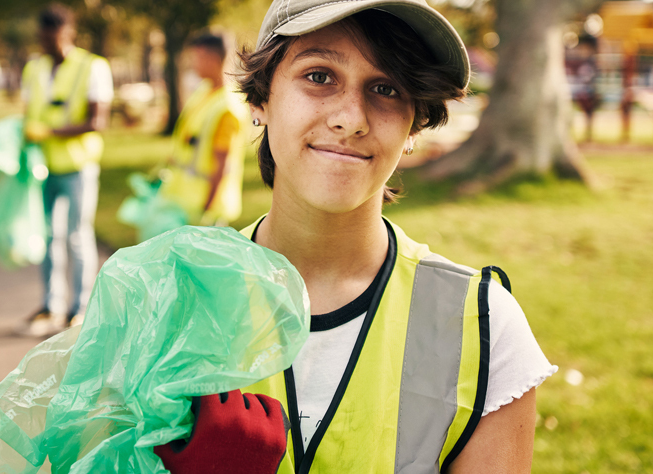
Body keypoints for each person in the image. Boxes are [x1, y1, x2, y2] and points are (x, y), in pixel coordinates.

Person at [153, 0, 557, 472]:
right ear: (260, 99)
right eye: (319, 76)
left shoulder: (484, 329)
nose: (352, 118)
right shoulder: (169, 299)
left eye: (386, 88)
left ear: (415, 124)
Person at [19, 3, 113, 337]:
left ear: (68, 33)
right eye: (43, 38)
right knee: (47, 236)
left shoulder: (92, 66)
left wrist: (50, 132)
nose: (48, 44)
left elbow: (97, 121)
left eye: (53, 38)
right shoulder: (34, 68)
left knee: (77, 236)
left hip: (78, 166)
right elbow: (28, 113)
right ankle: (51, 305)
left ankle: (81, 309)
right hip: (42, 168)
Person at [158, 33, 250, 226]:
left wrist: (206, 210)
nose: (193, 64)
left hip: (206, 210)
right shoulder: (203, 91)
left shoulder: (227, 107)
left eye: (197, 58)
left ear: (213, 59)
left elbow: (222, 164)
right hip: (186, 203)